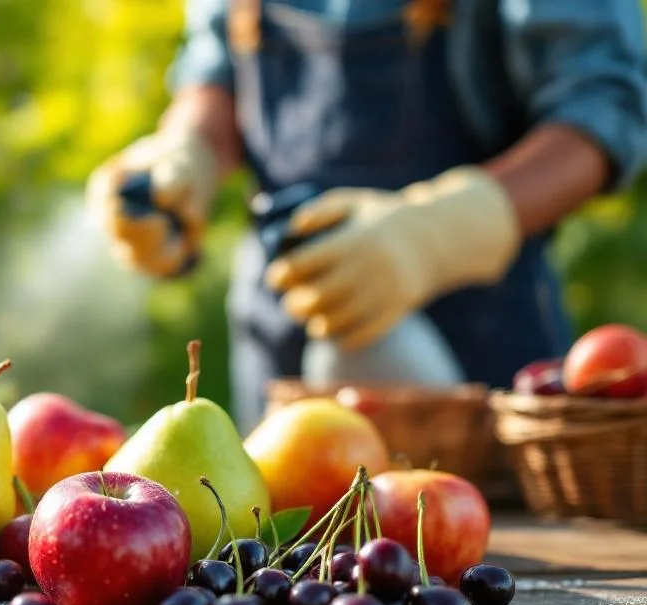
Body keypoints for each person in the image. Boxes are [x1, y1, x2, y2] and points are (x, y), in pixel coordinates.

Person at [88, 0, 647, 436]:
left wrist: (438, 232)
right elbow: (216, 69)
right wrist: (188, 151)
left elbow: (602, 113)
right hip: (280, 343)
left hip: (480, 358)